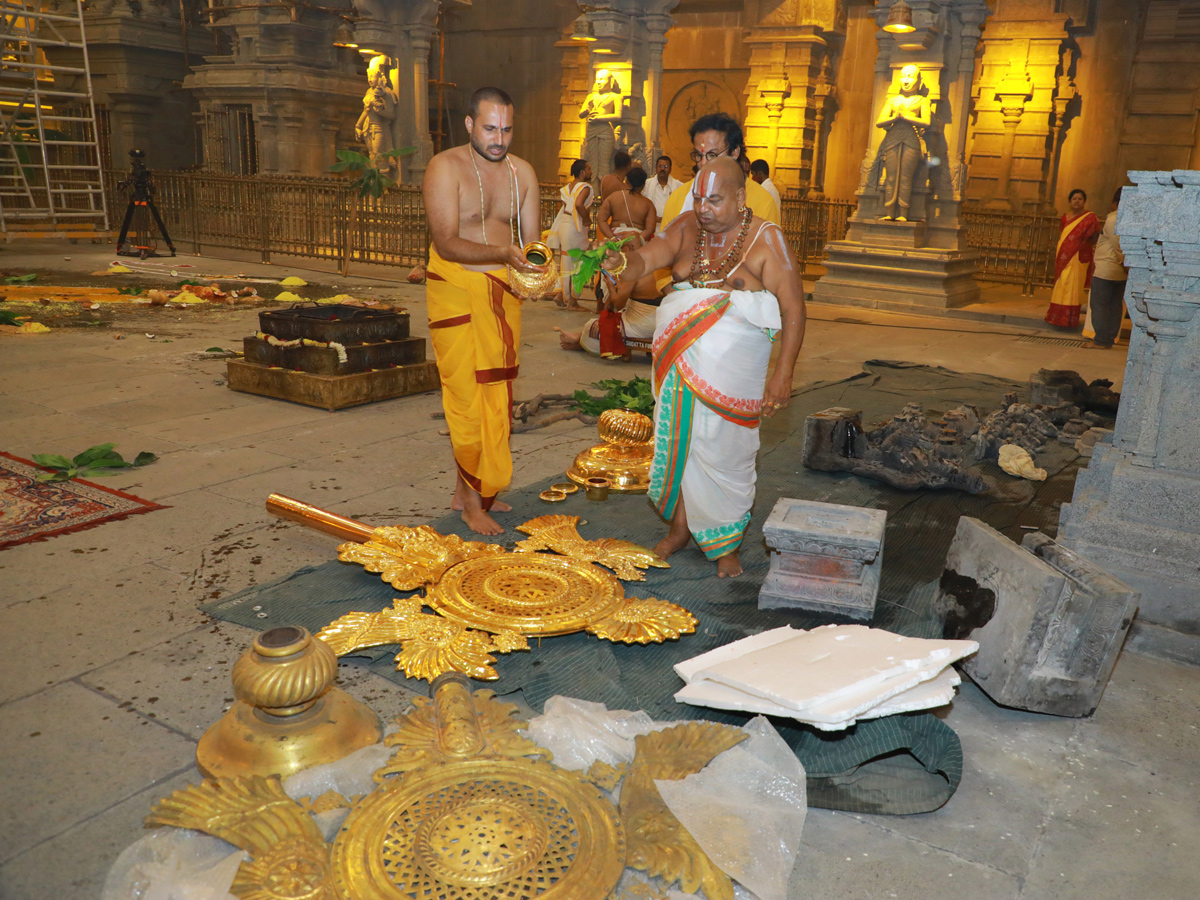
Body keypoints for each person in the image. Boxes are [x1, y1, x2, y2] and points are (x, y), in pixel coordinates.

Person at [600, 157, 805, 578]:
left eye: (715, 199)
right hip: (680, 362)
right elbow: (646, 258)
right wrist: (623, 263)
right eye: (699, 198)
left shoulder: (768, 239)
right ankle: (680, 529)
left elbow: (794, 309)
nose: (704, 208)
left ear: (740, 197)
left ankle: (724, 542)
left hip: (734, 373)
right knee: (681, 444)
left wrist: (783, 373)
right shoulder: (686, 225)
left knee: (725, 452)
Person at [422, 86, 544, 535]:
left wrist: (538, 274)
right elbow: (447, 242)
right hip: (456, 290)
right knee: (467, 400)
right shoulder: (445, 167)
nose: (499, 138)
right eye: (490, 128)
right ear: (470, 124)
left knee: (496, 399)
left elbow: (532, 249)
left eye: (507, 129)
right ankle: (474, 506)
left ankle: (465, 490)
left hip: (502, 294)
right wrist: (504, 253)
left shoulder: (523, 174)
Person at [558, 167, 661, 357]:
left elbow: (601, 219)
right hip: (637, 240)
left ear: (627, 181)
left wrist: (614, 238)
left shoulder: (613, 198)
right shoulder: (647, 204)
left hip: (617, 241)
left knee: (612, 281)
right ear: (643, 184)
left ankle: (587, 331)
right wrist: (638, 238)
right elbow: (649, 228)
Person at [660, 113, 780, 228]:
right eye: (698, 155)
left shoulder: (762, 201)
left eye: (712, 155)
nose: (703, 163)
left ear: (734, 153)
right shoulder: (678, 198)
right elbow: (664, 247)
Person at [873, 64, 930, 221]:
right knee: (891, 177)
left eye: (910, 76)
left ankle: (903, 213)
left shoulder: (922, 100)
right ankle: (889, 211)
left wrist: (906, 118)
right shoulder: (893, 100)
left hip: (911, 137)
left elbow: (926, 122)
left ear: (919, 80)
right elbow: (880, 122)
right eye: (903, 76)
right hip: (893, 137)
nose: (906, 80)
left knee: (905, 177)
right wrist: (895, 118)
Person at [1045, 188, 1101, 329]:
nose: (1077, 201)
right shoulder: (1065, 218)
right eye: (1074, 198)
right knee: (1061, 285)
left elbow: (1094, 237)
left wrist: (1081, 243)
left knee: (1072, 288)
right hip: (1064, 257)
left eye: (1080, 199)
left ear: (1084, 201)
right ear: (1070, 201)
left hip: (1078, 257)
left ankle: (1069, 320)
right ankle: (1056, 318)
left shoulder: (1089, 218)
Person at [546, 158, 594, 311]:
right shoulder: (585, 187)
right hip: (575, 228)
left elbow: (568, 207)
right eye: (589, 169)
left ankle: (562, 294)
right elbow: (579, 205)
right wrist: (587, 220)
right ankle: (572, 301)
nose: (591, 171)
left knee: (568, 261)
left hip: (565, 226)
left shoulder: (568, 188)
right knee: (579, 262)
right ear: (582, 172)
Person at [1084, 187, 1127, 349]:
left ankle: (1101, 340)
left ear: (1115, 203)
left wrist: (1126, 263)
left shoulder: (1113, 220)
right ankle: (1108, 339)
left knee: (1101, 305)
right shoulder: (1128, 220)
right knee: (1115, 305)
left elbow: (1118, 246)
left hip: (1107, 269)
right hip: (1120, 272)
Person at [355, 55, 400, 181]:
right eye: (368, 76)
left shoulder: (387, 94)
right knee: (372, 157)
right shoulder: (369, 92)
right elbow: (366, 111)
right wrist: (358, 126)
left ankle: (382, 191)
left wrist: (380, 111)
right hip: (367, 128)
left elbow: (391, 115)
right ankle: (374, 189)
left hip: (379, 129)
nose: (370, 79)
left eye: (373, 76)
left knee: (380, 158)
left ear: (380, 77)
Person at [579, 69, 622, 187]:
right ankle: (594, 193)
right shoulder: (591, 96)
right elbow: (581, 114)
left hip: (605, 131)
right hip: (592, 131)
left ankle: (604, 194)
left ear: (611, 81)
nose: (599, 81)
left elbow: (618, 116)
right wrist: (588, 109)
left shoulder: (615, 96)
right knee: (592, 164)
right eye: (597, 79)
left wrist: (599, 118)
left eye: (602, 79)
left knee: (604, 164)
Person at [644, 156, 681, 221]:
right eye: (660, 166)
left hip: (672, 225)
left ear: (670, 169)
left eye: (666, 166)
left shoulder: (679, 186)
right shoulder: (647, 184)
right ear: (656, 168)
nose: (662, 169)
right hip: (652, 225)